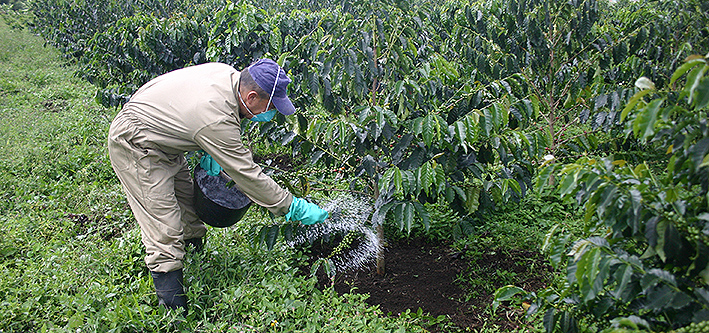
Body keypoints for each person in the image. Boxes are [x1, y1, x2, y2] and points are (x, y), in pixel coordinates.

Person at [107, 59, 328, 311]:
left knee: (186, 208)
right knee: (164, 222)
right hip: (137, 141)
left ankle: (196, 262)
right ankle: (173, 309)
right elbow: (246, 174)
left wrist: (210, 146)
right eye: (270, 106)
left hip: (164, 139)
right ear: (252, 96)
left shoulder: (228, 75)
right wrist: (290, 206)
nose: (270, 113)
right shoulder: (214, 118)